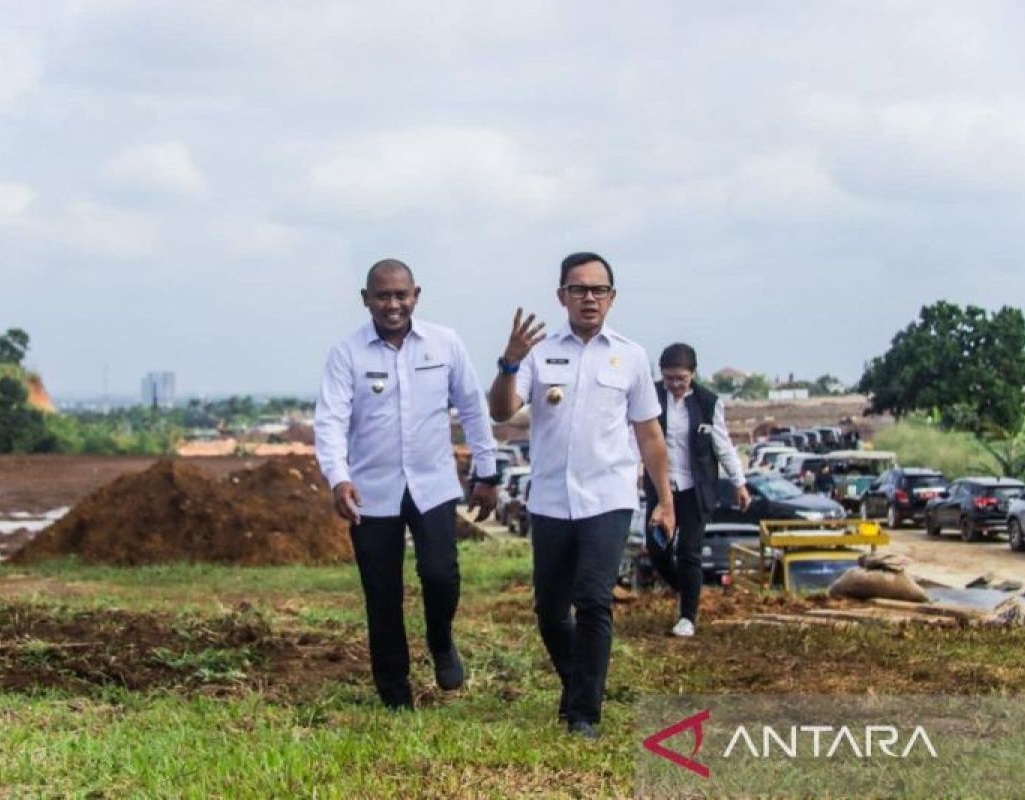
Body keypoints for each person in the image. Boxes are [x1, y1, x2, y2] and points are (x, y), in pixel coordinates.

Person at [488, 252, 674, 740]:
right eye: (579, 290)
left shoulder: (631, 356)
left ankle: (584, 714)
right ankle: (578, 685)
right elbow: (502, 412)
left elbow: (650, 435)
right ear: (562, 297)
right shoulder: (538, 352)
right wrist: (509, 362)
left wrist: (665, 498)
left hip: (608, 497)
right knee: (550, 611)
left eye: (598, 290)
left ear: (612, 297)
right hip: (550, 499)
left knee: (593, 600)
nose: (589, 298)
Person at [314, 259, 499, 711]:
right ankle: (395, 693)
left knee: (440, 575)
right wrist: (339, 478)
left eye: (401, 295)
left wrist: (487, 471)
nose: (392, 305)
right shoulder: (347, 353)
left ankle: (441, 641)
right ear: (366, 300)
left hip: (433, 485)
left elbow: (473, 409)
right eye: (382, 296)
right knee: (382, 593)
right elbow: (330, 420)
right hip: (370, 493)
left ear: (416, 294)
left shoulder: (445, 344)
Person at [644, 343, 750, 638]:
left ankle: (687, 616)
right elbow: (637, 437)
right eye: (669, 378)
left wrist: (739, 482)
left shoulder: (708, 402)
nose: (675, 385)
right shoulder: (650, 397)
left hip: (695, 489)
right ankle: (686, 588)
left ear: (693, 374)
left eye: (681, 378)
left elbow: (723, 446)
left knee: (689, 551)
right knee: (657, 549)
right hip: (661, 487)